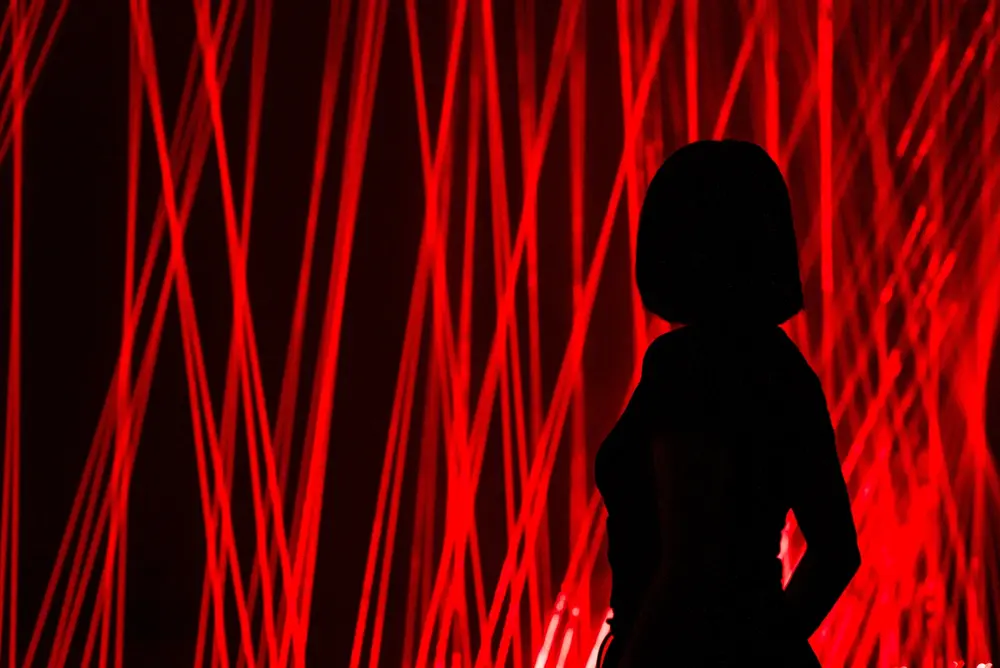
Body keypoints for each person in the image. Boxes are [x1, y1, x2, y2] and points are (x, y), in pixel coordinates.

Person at [594, 140, 861, 666]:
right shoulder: (787, 371)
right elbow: (837, 551)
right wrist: (763, 646)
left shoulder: (684, 366)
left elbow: (686, 560)